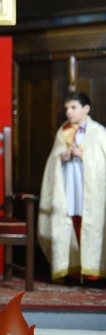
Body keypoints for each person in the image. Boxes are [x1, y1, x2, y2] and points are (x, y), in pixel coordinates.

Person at [39, 92, 106, 282]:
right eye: (67, 108)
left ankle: (92, 272)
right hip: (69, 183)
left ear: (86, 109)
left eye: (73, 107)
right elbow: (53, 159)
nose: (69, 112)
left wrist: (84, 156)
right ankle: (72, 268)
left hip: (89, 188)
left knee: (89, 222)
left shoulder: (99, 132)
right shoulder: (63, 132)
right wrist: (62, 156)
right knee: (69, 220)